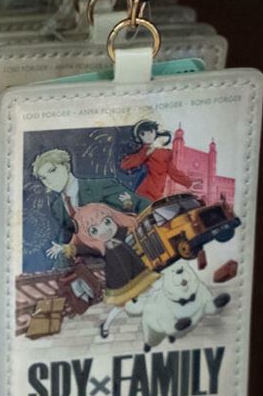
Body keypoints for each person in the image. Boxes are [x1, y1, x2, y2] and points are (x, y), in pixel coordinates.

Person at [30, 148, 149, 266]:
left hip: (130, 251)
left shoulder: (100, 187)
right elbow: (69, 239)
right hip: (95, 262)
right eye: (43, 178)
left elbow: (142, 205)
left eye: (52, 170)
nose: (49, 180)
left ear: (66, 166)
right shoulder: (57, 207)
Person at [68, 203, 159, 338]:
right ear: (88, 236)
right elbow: (83, 249)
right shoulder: (100, 248)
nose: (104, 230)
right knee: (121, 307)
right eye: (94, 230)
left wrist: (128, 207)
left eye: (106, 222)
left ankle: (156, 320)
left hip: (136, 272)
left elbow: (124, 221)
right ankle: (106, 325)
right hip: (120, 281)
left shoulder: (119, 235)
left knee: (152, 292)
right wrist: (72, 249)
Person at [119, 120, 193, 202]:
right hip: (141, 193)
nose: (148, 136)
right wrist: (145, 153)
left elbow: (173, 172)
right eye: (143, 134)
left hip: (156, 194)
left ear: (155, 132)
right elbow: (125, 165)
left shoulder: (164, 153)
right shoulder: (140, 152)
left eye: (150, 132)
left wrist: (188, 182)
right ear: (138, 137)